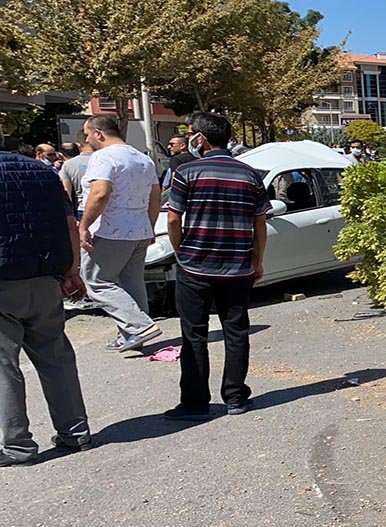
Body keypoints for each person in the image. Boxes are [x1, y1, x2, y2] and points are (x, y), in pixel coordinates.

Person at [163, 111, 268, 420]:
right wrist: (257, 260)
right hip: (238, 268)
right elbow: (259, 222)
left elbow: (173, 218)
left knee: (193, 334)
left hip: (195, 266)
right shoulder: (250, 174)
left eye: (191, 133)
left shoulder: (187, 172)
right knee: (236, 332)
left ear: (201, 139)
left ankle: (195, 403)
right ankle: (236, 398)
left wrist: (180, 251)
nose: (189, 137)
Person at [0, 147, 93, 466]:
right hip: (45, 277)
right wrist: (72, 271)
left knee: (4, 365)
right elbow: (69, 224)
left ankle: (18, 445)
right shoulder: (44, 172)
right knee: (56, 356)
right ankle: (75, 431)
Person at [79, 115, 163, 352]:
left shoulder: (103, 157)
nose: (87, 139)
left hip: (111, 229)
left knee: (96, 280)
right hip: (138, 228)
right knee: (131, 281)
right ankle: (132, 333)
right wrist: (149, 226)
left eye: (87, 134)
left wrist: (83, 226)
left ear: (99, 133)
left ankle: (138, 326)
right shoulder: (142, 158)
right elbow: (155, 196)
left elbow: (100, 193)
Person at [59, 138, 93, 219]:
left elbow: (67, 192)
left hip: (82, 208)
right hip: (107, 207)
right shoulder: (106, 159)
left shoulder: (68, 165)